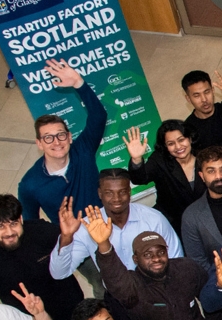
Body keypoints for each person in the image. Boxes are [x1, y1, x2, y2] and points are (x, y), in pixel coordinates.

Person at [95, 225, 210, 320]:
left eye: (161, 252)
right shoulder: (132, 286)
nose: (156, 259)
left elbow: (210, 297)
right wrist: (104, 245)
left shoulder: (187, 269)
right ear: (135, 259)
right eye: (147, 255)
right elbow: (115, 278)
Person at [50, 170, 185, 280]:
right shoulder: (88, 226)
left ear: (129, 192)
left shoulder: (154, 219)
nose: (116, 199)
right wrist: (66, 237)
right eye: (109, 193)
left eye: (122, 192)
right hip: (118, 299)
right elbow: (59, 273)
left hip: (157, 291)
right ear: (100, 194)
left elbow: (176, 261)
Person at [18, 59, 106, 223]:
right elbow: (32, 224)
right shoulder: (30, 184)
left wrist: (79, 83)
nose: (56, 142)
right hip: (72, 238)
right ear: (39, 143)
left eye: (60, 135)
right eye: (48, 138)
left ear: (69, 137)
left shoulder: (83, 150)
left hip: (104, 221)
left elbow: (98, 116)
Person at [125, 120, 206, 233]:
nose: (178, 147)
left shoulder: (205, 157)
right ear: (165, 146)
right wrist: (137, 159)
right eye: (171, 144)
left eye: (181, 140)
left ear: (190, 139)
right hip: (175, 225)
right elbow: (140, 178)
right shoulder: (160, 160)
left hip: (207, 220)